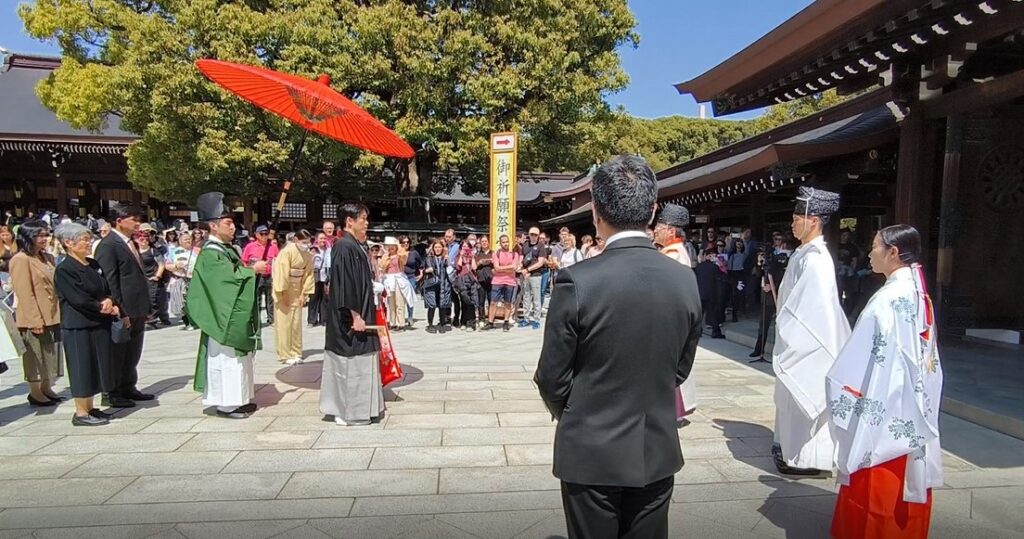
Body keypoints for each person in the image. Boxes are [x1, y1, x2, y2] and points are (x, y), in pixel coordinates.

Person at [535, 155, 703, 539]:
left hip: (591, 447)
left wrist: (577, 413)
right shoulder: (684, 280)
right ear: (652, 210)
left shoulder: (576, 281)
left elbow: (551, 376)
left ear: (595, 210)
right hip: (655, 444)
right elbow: (681, 367)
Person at [827, 225, 943, 539]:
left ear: (893, 252)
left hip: (883, 405)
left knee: (873, 469)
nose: (869, 252)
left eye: (875, 246)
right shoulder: (918, 294)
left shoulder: (888, 299)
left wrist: (842, 384)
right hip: (911, 406)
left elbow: (858, 359)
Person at [771, 186, 851, 476]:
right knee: (790, 405)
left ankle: (806, 459)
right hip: (794, 334)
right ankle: (791, 452)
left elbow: (812, 310)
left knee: (803, 399)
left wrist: (790, 330)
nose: (792, 222)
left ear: (814, 220)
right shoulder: (804, 253)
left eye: (797, 217)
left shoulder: (817, 259)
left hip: (810, 342)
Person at [186, 193, 262, 419]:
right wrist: (251, 271)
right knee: (226, 359)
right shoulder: (211, 253)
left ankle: (240, 399)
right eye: (228, 223)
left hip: (233, 316)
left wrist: (248, 270)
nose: (233, 228)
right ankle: (226, 404)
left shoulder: (226, 250)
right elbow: (224, 283)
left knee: (240, 360)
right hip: (222, 317)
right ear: (213, 225)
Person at [321, 202, 384, 427]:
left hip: (362, 312)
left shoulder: (355, 246)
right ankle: (347, 412)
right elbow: (345, 284)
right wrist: (355, 315)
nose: (366, 223)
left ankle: (361, 409)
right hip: (350, 317)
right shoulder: (343, 247)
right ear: (349, 221)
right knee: (350, 365)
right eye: (362, 219)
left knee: (361, 363)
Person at [53, 222, 120, 426]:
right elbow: (77, 298)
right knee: (82, 367)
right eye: (84, 239)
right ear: (68, 243)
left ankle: (91, 407)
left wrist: (109, 300)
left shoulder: (92, 264)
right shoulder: (65, 269)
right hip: (78, 325)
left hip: (99, 323)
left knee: (96, 366)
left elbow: (105, 287)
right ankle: (81, 412)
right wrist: (100, 307)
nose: (89, 243)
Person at [95, 205, 153, 408]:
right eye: (132, 219)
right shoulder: (108, 244)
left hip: (137, 306)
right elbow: (110, 280)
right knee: (118, 351)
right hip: (123, 307)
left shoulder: (131, 243)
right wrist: (119, 308)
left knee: (133, 350)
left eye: (138, 218)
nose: (137, 222)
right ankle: (112, 391)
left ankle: (128, 385)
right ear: (118, 221)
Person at [653, 203, 699, 421]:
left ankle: (673, 411)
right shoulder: (674, 252)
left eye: (659, 226)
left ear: (671, 230)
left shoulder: (672, 254)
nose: (655, 230)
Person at [9, 221, 62, 406]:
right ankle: (35, 391)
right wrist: (34, 320)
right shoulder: (21, 259)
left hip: (52, 313)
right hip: (34, 315)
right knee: (35, 356)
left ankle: (47, 387)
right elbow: (24, 292)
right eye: (40, 236)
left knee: (50, 353)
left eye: (46, 235)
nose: (44, 239)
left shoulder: (47, 257)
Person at [272, 230, 314, 365]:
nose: (306, 245)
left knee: (296, 323)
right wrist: (282, 293)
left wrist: (304, 294)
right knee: (284, 323)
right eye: (303, 242)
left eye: (308, 242)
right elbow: (281, 273)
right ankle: (284, 354)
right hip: (285, 289)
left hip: (298, 290)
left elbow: (308, 274)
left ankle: (296, 352)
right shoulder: (286, 252)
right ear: (296, 240)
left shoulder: (307, 255)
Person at [750, 235, 792, 361]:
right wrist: (759, 263)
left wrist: (775, 286)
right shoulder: (771, 255)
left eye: (780, 240)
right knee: (764, 323)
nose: (778, 243)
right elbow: (760, 273)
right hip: (767, 294)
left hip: (782, 292)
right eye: (776, 240)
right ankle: (759, 349)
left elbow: (786, 276)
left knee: (783, 324)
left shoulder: (790, 257)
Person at [241, 225, 279, 325]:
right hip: (256, 275)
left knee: (270, 298)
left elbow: (277, 260)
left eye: (266, 234)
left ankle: (272, 319)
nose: (265, 236)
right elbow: (244, 261)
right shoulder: (250, 246)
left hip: (269, 275)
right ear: (257, 235)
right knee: (256, 299)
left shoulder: (273, 247)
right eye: (262, 234)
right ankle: (256, 320)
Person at [134, 231, 168, 329]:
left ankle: (153, 319)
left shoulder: (154, 251)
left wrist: (157, 276)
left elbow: (161, 264)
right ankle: (147, 318)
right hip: (141, 279)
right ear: (137, 240)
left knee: (153, 299)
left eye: (146, 239)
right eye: (141, 239)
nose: (144, 241)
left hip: (152, 278)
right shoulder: (134, 251)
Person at [487, 234, 520, 331]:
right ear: (500, 243)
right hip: (497, 281)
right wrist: (508, 269)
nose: (505, 244)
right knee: (493, 302)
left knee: (508, 303)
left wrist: (500, 269)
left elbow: (514, 267)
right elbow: (496, 267)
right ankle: (490, 322)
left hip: (510, 281)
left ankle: (506, 322)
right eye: (503, 242)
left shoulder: (514, 254)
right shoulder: (496, 253)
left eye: (507, 241)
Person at [379, 236, 413, 331]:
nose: (391, 248)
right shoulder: (386, 256)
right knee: (391, 303)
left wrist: (398, 244)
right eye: (389, 246)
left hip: (398, 278)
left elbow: (404, 258)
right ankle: (392, 322)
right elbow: (382, 266)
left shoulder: (400, 255)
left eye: (392, 246)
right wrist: (386, 256)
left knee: (399, 302)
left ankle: (401, 323)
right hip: (389, 279)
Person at [518, 227, 549, 329]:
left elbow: (540, 262)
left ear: (538, 235)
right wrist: (522, 269)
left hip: (536, 274)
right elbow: (522, 258)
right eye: (532, 234)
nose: (534, 236)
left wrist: (528, 270)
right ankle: (526, 318)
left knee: (536, 297)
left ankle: (536, 319)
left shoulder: (541, 246)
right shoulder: (525, 245)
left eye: (536, 235)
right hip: (525, 274)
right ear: (529, 234)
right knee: (526, 296)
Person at [422, 239, 454, 333]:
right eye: (436, 247)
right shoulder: (429, 258)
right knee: (431, 305)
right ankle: (430, 324)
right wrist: (427, 271)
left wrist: (448, 261)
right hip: (432, 284)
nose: (437, 249)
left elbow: (450, 270)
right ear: (433, 248)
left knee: (442, 305)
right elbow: (422, 270)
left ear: (442, 248)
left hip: (443, 284)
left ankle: (442, 324)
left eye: (439, 247)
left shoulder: (445, 258)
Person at [695, 249, 726, 339]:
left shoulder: (699, 267)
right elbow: (722, 277)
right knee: (713, 313)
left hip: (700, 293)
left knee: (700, 314)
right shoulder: (714, 267)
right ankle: (715, 332)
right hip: (711, 294)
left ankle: (697, 332)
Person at [453, 241, 480, 331]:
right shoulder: (457, 256)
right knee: (464, 301)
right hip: (462, 280)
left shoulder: (473, 256)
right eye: (463, 246)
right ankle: (463, 322)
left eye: (466, 247)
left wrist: (471, 257)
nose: (465, 248)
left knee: (472, 301)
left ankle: (471, 324)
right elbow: (458, 267)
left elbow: (474, 267)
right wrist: (461, 255)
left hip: (471, 280)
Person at [308, 232, 330, 327]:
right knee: (313, 298)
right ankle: (312, 320)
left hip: (324, 276)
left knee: (324, 298)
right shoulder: (313, 250)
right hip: (315, 276)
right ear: (317, 239)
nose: (323, 240)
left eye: (324, 238)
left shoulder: (328, 250)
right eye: (321, 238)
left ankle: (323, 319)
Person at [400, 235, 422, 326]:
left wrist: (421, 273)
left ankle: (410, 317)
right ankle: (400, 318)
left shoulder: (413, 253)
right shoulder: (397, 253)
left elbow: (421, 263)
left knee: (410, 298)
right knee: (400, 299)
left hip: (411, 277)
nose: (406, 244)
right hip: (400, 277)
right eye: (403, 242)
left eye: (407, 242)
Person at [474, 235, 494, 327]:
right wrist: (480, 262)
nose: (484, 243)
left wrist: (486, 261)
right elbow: (475, 266)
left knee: (491, 300)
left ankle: (491, 319)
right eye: (482, 242)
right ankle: (481, 318)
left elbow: (494, 262)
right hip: (481, 280)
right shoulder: (477, 254)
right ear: (480, 243)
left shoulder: (493, 253)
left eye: (486, 241)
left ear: (488, 242)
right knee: (481, 301)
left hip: (491, 280)